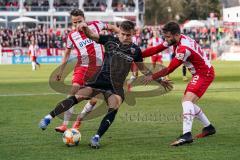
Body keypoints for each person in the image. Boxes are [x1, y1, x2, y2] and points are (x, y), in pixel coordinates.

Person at [39, 20, 172, 149]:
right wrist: (85, 27)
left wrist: (159, 80)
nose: (125, 37)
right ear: (119, 32)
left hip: (116, 86)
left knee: (114, 106)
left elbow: (143, 69)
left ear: (133, 34)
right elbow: (91, 35)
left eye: (128, 35)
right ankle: (49, 117)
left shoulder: (135, 50)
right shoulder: (109, 40)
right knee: (78, 96)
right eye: (123, 34)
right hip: (100, 79)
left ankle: (96, 137)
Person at [142, 22, 216, 146]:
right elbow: (156, 49)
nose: (166, 40)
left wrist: (152, 77)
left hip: (204, 73)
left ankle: (186, 135)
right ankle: (208, 128)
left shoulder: (183, 48)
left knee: (187, 101)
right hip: (201, 73)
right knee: (188, 102)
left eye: (168, 37)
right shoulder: (176, 40)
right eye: (165, 37)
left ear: (176, 35)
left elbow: (170, 69)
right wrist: (138, 55)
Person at [53, 8, 120, 133]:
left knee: (93, 100)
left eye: (79, 21)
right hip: (82, 67)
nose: (77, 24)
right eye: (74, 22)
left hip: (98, 69)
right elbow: (66, 54)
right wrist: (60, 71)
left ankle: (78, 121)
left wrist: (121, 35)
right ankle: (64, 124)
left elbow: (110, 27)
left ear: (84, 19)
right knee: (73, 91)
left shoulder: (95, 25)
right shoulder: (71, 36)